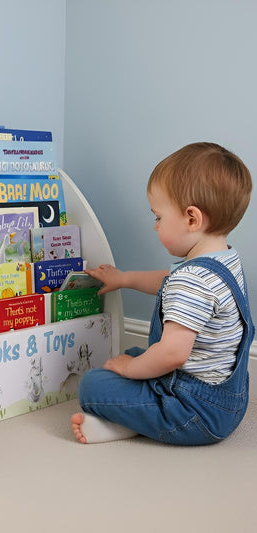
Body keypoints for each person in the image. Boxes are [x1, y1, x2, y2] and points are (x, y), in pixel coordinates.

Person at [71, 142, 254, 445]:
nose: (155, 226)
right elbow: (168, 282)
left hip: (195, 411)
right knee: (133, 356)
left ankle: (132, 420)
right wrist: (124, 278)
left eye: (158, 217)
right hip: (229, 401)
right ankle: (129, 421)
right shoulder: (223, 260)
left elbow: (172, 353)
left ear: (192, 219)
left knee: (94, 385)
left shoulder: (192, 282)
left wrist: (130, 370)